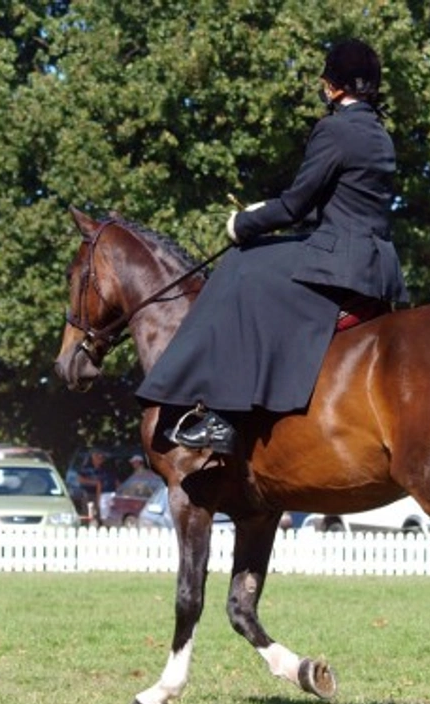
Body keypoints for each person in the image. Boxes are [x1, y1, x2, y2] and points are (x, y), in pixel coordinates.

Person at [136, 39, 409, 454]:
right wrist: (272, 210)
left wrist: (241, 224)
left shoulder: (334, 129)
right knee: (265, 258)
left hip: (339, 261)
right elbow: (334, 201)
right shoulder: (378, 133)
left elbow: (296, 205)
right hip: (377, 264)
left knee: (241, 266)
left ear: (333, 87)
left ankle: (219, 419)